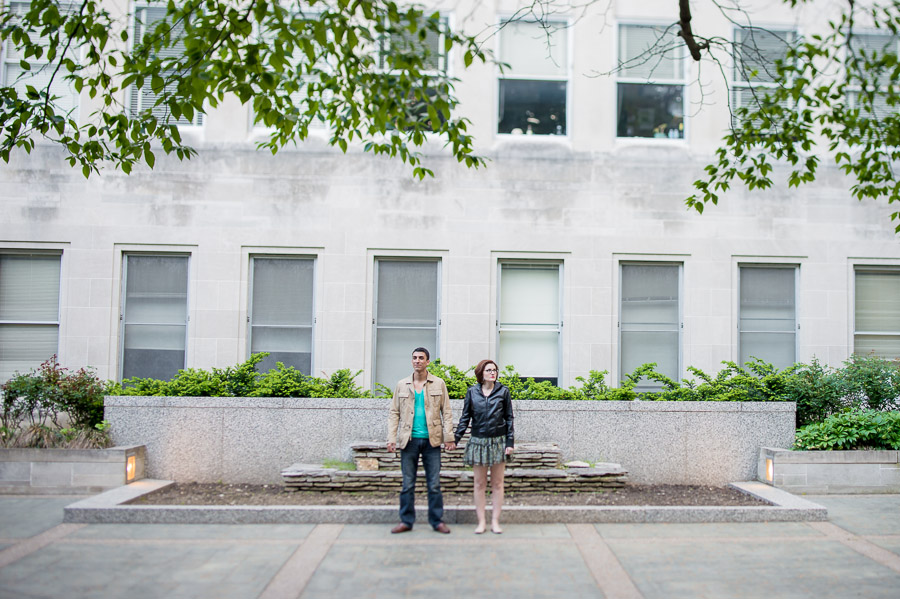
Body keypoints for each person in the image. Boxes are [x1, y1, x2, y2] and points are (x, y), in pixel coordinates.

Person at [387, 347, 456, 534]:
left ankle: (437, 521)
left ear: (427, 362)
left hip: (431, 441)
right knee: (407, 483)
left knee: (433, 483)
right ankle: (406, 521)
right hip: (408, 441)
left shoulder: (438, 383)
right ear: (412, 361)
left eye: (421, 358)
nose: (417, 361)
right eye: (414, 358)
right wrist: (391, 438)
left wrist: (449, 437)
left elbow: (447, 412)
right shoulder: (402, 384)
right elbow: (394, 413)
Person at [454, 359, 514, 534]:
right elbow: (465, 418)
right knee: (479, 483)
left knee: (497, 483)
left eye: (494, 370)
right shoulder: (472, 392)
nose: (492, 373)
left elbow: (509, 418)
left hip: (498, 441)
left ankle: (495, 521)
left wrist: (510, 442)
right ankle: (481, 521)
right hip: (478, 441)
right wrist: (455, 439)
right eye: (488, 370)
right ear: (481, 373)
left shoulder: (503, 391)